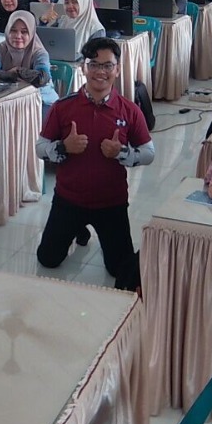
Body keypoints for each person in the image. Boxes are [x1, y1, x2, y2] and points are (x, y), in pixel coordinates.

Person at [35, 37, 154, 291]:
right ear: (83, 67)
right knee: (47, 259)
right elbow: (40, 148)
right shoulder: (62, 107)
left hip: (111, 203)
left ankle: (85, 229)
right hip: (69, 199)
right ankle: (78, 228)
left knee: (120, 270)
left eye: (108, 65)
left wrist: (122, 152)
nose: (101, 72)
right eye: (94, 64)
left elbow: (149, 153)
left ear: (117, 69)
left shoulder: (129, 110)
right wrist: (63, 147)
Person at [0, 11, 57, 116]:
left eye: (24, 32)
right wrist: (13, 75)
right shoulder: (1, 48)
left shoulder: (39, 52)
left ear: (31, 33)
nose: (18, 36)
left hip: (42, 103)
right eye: (13, 31)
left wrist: (18, 71)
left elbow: (42, 78)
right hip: (10, 102)